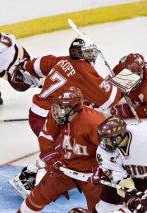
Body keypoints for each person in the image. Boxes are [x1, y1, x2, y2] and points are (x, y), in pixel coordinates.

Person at [9, 36, 122, 198]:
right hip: (52, 117)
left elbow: (36, 64)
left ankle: (34, 176)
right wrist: (118, 83)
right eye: (88, 53)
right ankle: (27, 180)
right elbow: (110, 100)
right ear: (80, 54)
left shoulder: (61, 60)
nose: (92, 56)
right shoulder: (85, 70)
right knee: (64, 149)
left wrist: (23, 66)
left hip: (38, 113)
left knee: (63, 147)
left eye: (92, 52)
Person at [17, 86, 106, 212]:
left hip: (90, 176)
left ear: (75, 108)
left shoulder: (94, 122)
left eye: (62, 108)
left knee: (99, 210)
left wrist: (100, 171)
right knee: (35, 198)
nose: (57, 111)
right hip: (64, 169)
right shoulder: (56, 115)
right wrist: (49, 153)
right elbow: (45, 136)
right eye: (57, 107)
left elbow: (108, 150)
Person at [87, 116, 147, 213]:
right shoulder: (103, 152)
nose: (104, 143)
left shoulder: (146, 134)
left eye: (107, 139)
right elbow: (120, 179)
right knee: (103, 208)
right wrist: (130, 197)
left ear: (118, 137)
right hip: (127, 177)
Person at [109, 53, 147, 119]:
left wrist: (126, 111)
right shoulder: (119, 68)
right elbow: (106, 86)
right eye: (126, 72)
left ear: (141, 72)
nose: (128, 77)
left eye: (133, 74)